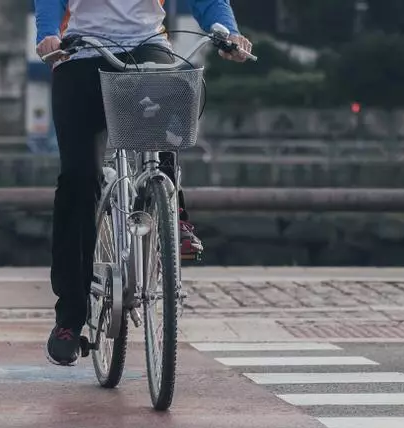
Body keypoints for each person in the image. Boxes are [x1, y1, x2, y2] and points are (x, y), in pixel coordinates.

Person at [34, 0, 252, 366]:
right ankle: (69, 320)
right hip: (82, 51)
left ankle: (172, 212)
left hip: (146, 45)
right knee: (77, 178)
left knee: (176, 100)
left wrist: (227, 31)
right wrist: (48, 34)